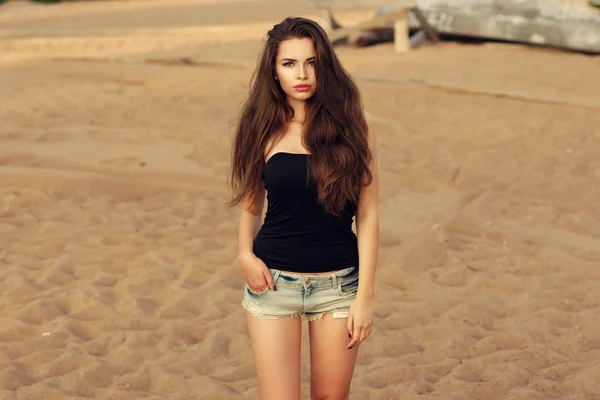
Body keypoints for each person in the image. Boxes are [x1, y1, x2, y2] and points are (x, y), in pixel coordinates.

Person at [227, 16, 379, 400]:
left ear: (324, 65)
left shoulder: (355, 127)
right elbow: (250, 204)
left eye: (311, 62)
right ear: (274, 71)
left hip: (339, 287)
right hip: (273, 283)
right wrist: (244, 253)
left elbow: (369, 214)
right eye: (289, 63)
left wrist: (364, 298)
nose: (302, 74)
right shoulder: (259, 125)